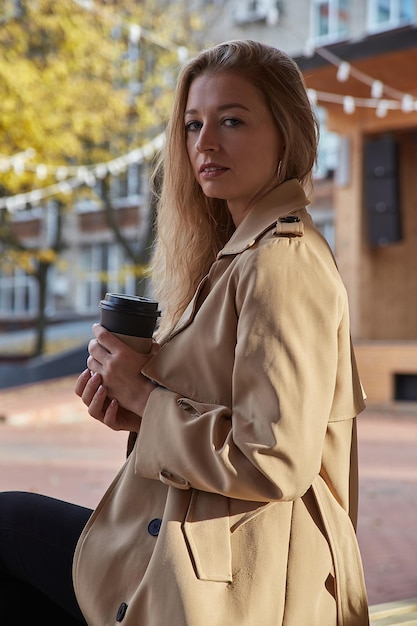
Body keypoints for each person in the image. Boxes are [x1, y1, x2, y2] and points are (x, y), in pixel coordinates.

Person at [0, 39, 369, 625]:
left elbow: (273, 457)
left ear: (288, 133)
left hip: (247, 576)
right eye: (193, 124)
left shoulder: (281, 261)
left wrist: (146, 395)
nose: (206, 142)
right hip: (205, 545)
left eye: (232, 120)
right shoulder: (241, 254)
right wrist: (141, 414)